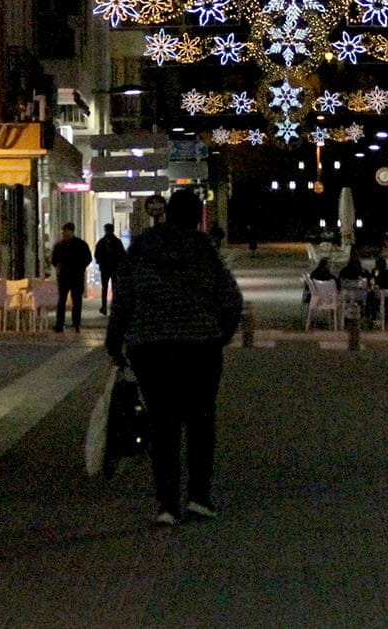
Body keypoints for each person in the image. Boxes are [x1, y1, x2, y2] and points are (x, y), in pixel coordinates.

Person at [106, 188, 243, 525]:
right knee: (200, 422)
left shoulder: (142, 248)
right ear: (197, 218)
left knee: (161, 424)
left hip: (150, 348)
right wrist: (220, 334)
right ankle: (198, 498)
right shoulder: (204, 250)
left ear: (168, 212)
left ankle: (167, 505)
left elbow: (124, 298)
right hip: (199, 347)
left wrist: (115, 342)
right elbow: (231, 299)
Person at [50, 223, 93, 332]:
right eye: (63, 232)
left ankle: (73, 323)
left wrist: (79, 267)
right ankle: (64, 323)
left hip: (72, 276)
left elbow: (88, 258)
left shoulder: (77, 244)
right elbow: (54, 260)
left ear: (71, 231)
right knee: (64, 300)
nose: (64, 234)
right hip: (69, 276)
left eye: (66, 231)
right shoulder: (62, 245)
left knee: (74, 300)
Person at [94, 223, 126, 315]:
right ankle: (113, 307)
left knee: (105, 288)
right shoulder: (117, 242)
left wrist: (100, 262)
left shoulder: (102, 242)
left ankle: (104, 307)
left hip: (106, 268)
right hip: (113, 268)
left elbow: (97, 254)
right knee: (114, 288)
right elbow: (122, 255)